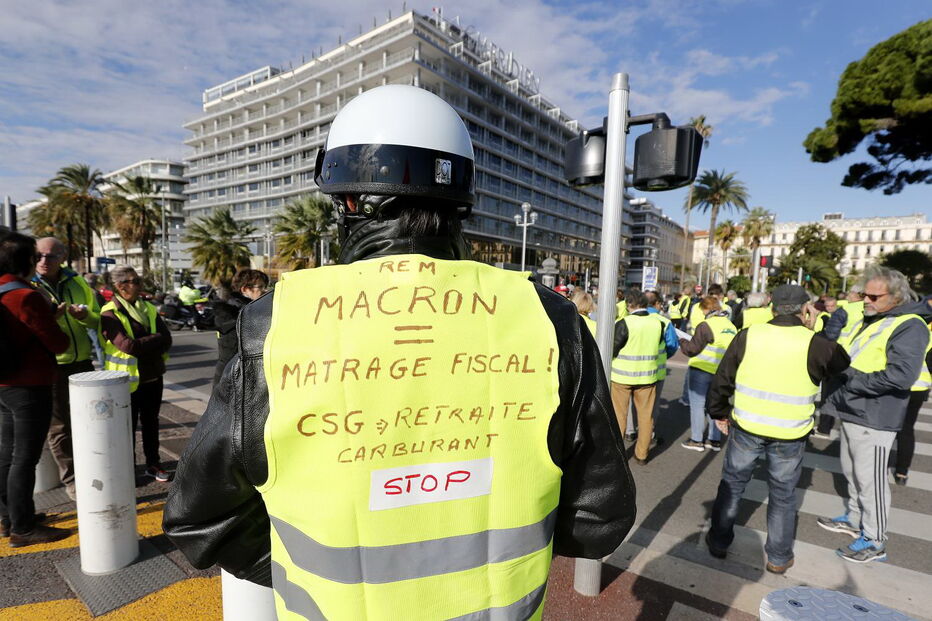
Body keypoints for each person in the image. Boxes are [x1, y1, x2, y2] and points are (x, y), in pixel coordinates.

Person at [163, 85, 635, 619]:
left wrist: (308, 573)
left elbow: (201, 520)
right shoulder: (546, 317)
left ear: (344, 200)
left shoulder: (275, 323)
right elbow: (600, 521)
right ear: (461, 199)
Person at [704, 285, 849, 574]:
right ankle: (778, 557)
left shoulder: (749, 335)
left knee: (732, 486)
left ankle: (719, 541)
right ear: (804, 309)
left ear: (772, 307)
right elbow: (841, 364)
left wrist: (719, 412)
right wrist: (813, 328)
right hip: (791, 432)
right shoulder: (816, 343)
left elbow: (723, 378)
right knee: (783, 494)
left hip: (747, 426)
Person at [817, 266, 931, 563]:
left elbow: (901, 376)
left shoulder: (910, 324)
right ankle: (855, 519)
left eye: (872, 295)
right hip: (854, 408)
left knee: (872, 481)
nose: (864, 299)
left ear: (895, 296)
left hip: (876, 414)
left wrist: (851, 379)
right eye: (864, 293)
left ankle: (876, 539)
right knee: (853, 472)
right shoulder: (879, 317)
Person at [0, 232, 71, 546]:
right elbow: (58, 342)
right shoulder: (26, 296)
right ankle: (24, 528)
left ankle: (9, 518)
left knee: (6, 454)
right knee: (24, 459)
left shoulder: (2, 289)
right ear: (26, 261)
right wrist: (52, 319)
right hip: (29, 386)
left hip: (3, 383)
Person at [32, 237, 101, 500]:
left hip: (82, 362)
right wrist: (53, 319)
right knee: (59, 426)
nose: (43, 262)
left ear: (62, 257)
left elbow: (96, 321)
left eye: (50, 256)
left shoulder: (77, 281)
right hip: (51, 363)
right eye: (39, 256)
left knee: (87, 422)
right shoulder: (29, 284)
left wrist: (86, 317)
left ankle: (89, 470)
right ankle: (71, 479)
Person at [100, 266, 173, 482]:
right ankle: (127, 469)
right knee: (126, 428)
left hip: (152, 375)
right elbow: (128, 346)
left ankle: (153, 463)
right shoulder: (109, 312)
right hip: (126, 381)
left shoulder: (148, 307)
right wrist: (155, 339)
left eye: (138, 280)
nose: (139, 284)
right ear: (121, 286)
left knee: (151, 423)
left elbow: (167, 339)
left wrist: (154, 340)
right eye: (134, 281)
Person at [610, 290, 664, 464]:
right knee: (646, 417)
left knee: (619, 416)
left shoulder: (625, 322)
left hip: (622, 377)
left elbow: (613, 348)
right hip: (647, 377)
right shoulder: (657, 323)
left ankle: (617, 455)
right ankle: (642, 455)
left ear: (629, 304)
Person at [679, 296, 737, 452]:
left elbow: (692, 349)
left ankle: (697, 440)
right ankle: (714, 440)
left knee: (697, 406)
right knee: (715, 404)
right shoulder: (731, 326)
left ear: (705, 309)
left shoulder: (706, 325)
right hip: (721, 372)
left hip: (701, 369)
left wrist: (682, 341)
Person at [213, 269, 269, 386]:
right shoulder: (235, 314)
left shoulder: (244, 310)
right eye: (261, 287)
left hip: (236, 377)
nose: (265, 291)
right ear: (245, 289)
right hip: (233, 380)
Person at [895, 323, 931, 485]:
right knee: (907, 428)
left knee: (886, 425)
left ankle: (877, 464)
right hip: (919, 387)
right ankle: (902, 472)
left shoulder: (906, 329)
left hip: (898, 384)